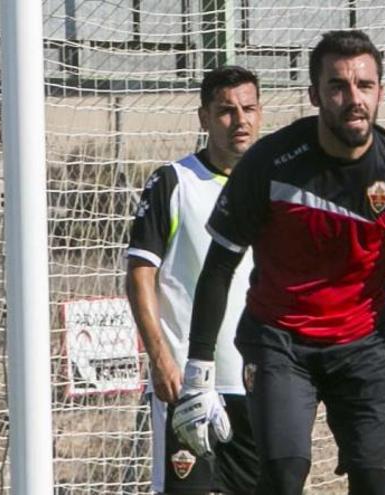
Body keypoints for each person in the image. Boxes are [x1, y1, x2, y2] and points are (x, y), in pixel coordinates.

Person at [172, 30, 385, 495]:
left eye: (365, 85)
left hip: (367, 346)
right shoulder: (269, 163)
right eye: (338, 86)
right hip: (279, 341)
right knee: (284, 475)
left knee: (374, 483)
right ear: (314, 94)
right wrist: (197, 374)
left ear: (381, 91)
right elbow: (220, 266)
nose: (354, 98)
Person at [125, 66, 262, 494]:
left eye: (249, 108)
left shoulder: (273, 186)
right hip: (189, 385)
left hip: (257, 384)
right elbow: (139, 275)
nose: (240, 120)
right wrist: (161, 358)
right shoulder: (174, 181)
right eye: (225, 111)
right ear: (203, 118)